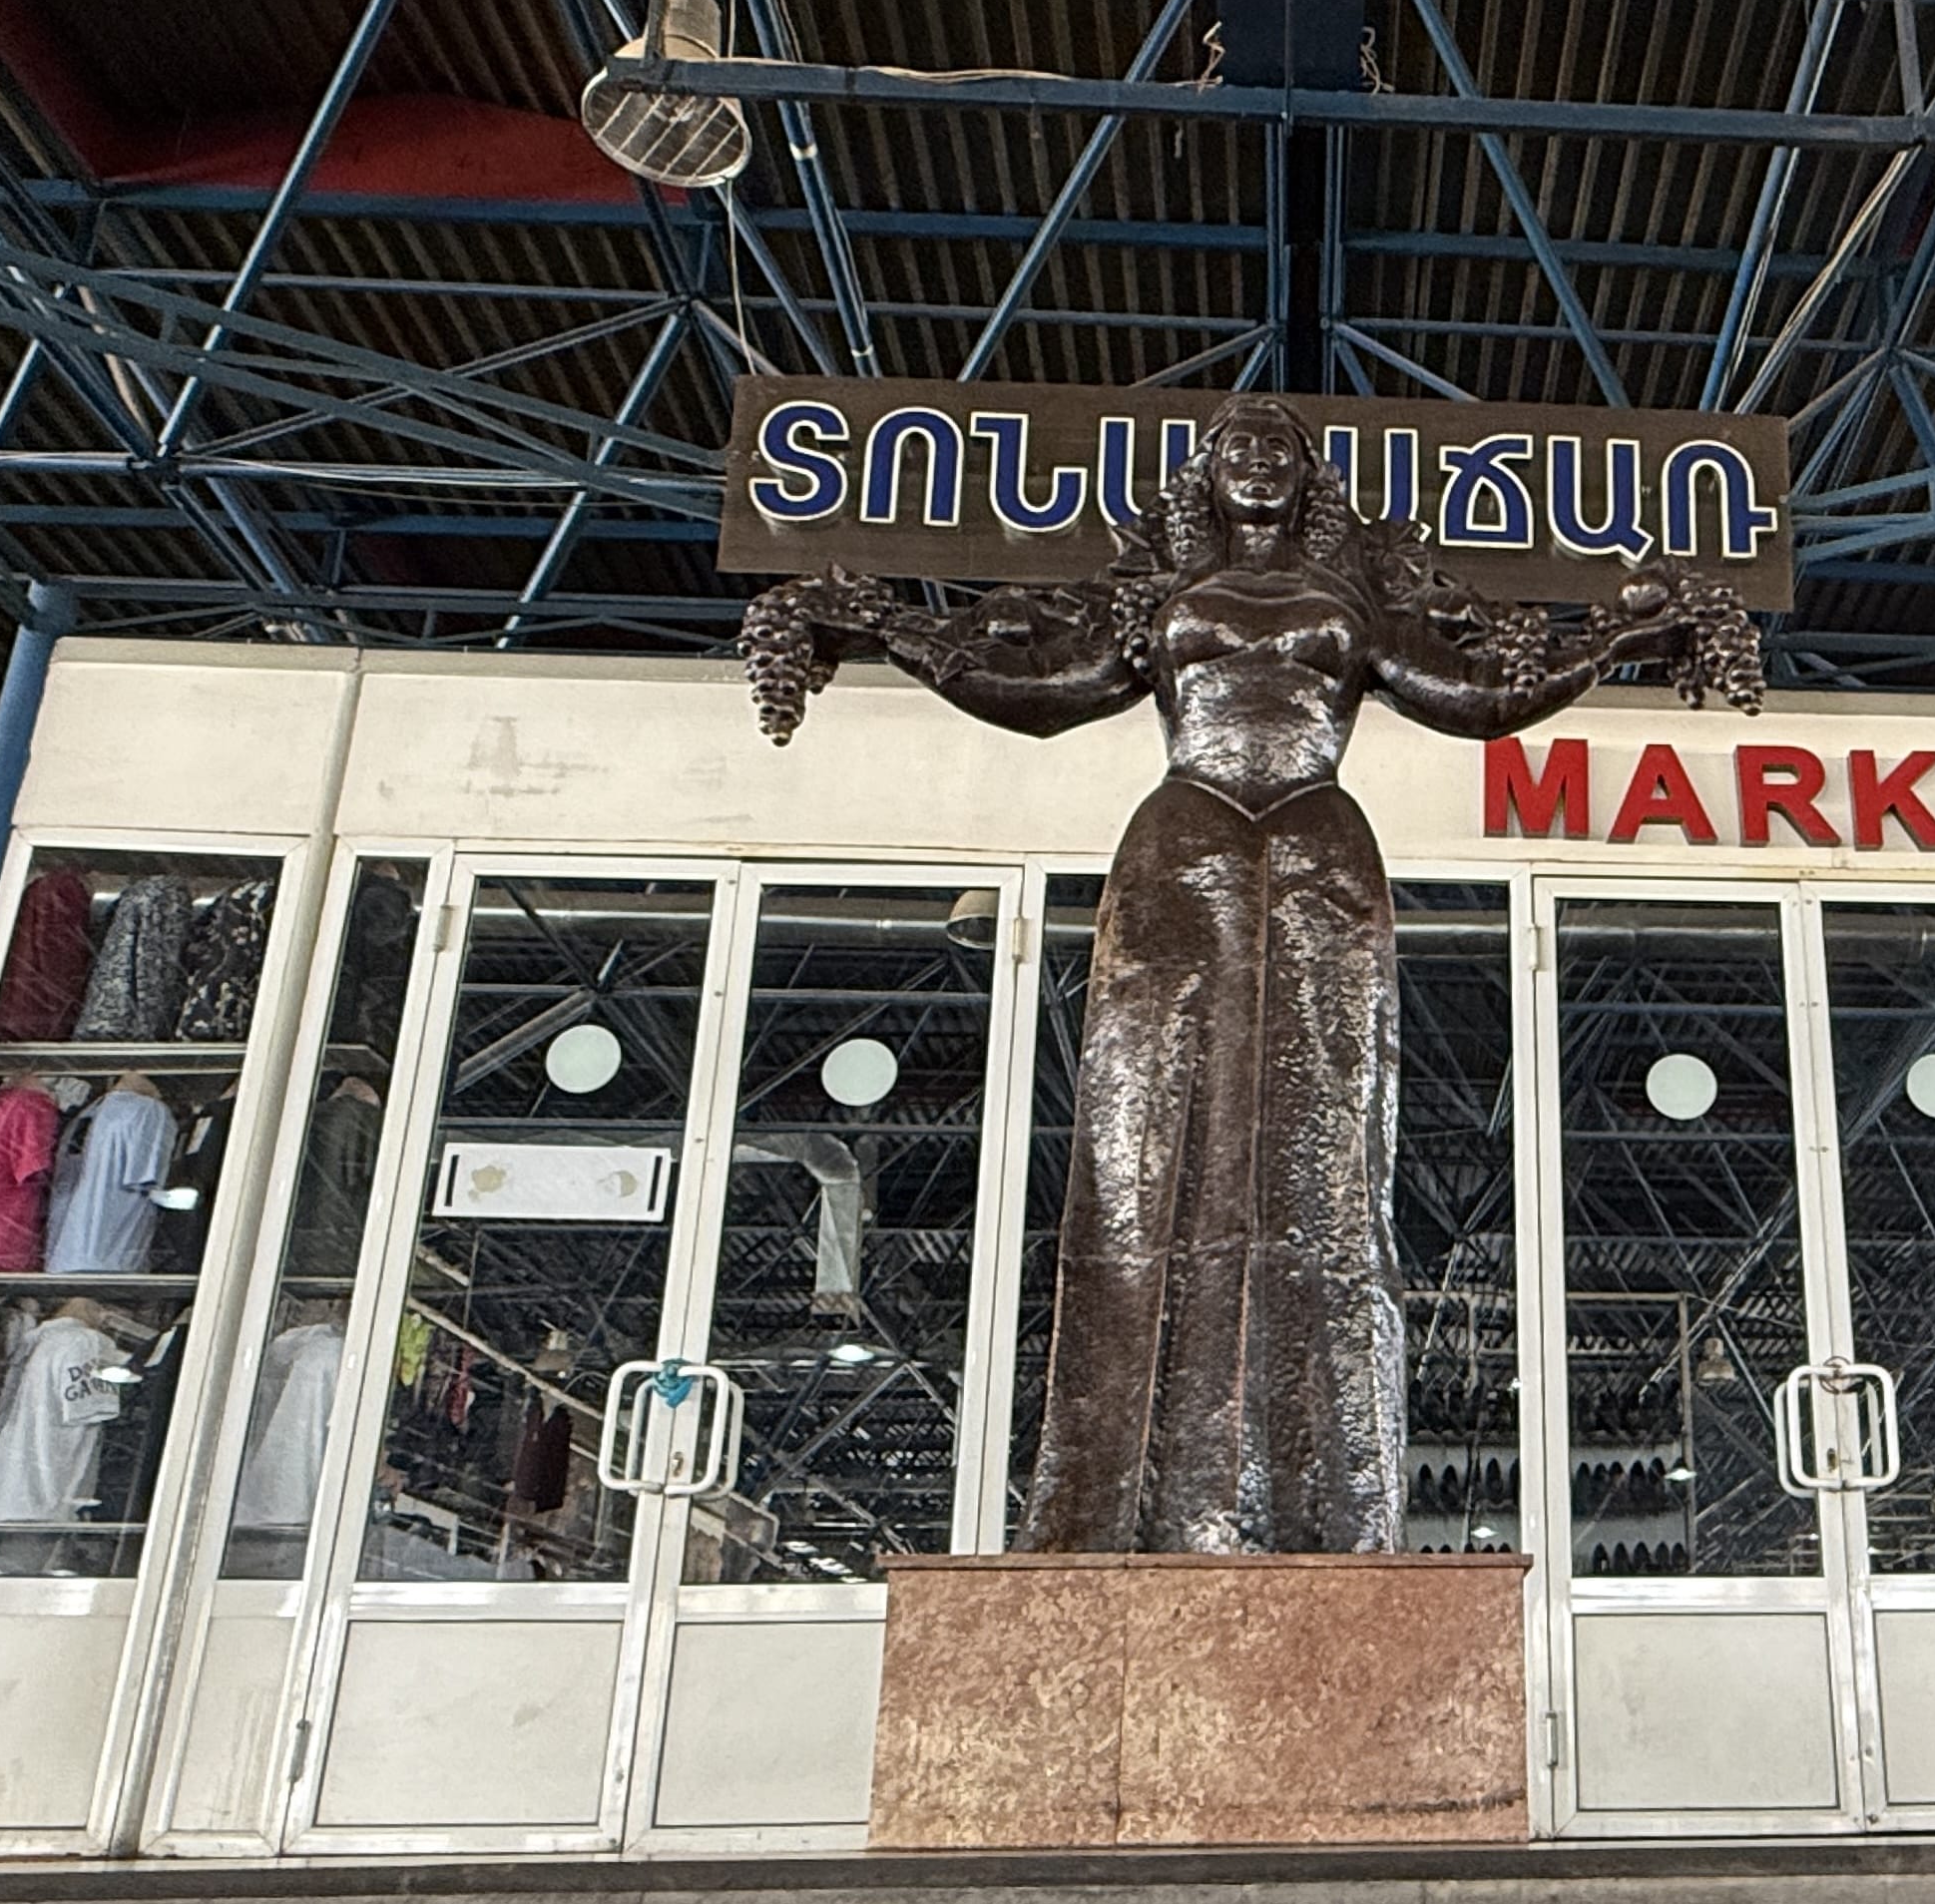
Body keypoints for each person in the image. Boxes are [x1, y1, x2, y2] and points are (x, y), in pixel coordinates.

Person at [745, 395, 1754, 1551]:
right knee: (1147, 1151)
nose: (1262, 460)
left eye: (1281, 446)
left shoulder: (1360, 594)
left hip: (1320, 847)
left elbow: (1477, 697)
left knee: (1325, 1164)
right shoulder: (1160, 591)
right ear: (1208, 479)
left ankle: (1323, 1506)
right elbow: (1048, 690)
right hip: (1185, 841)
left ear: (1309, 478)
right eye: (1239, 448)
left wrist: (1621, 641)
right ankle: (1119, 1503)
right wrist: (892, 635)